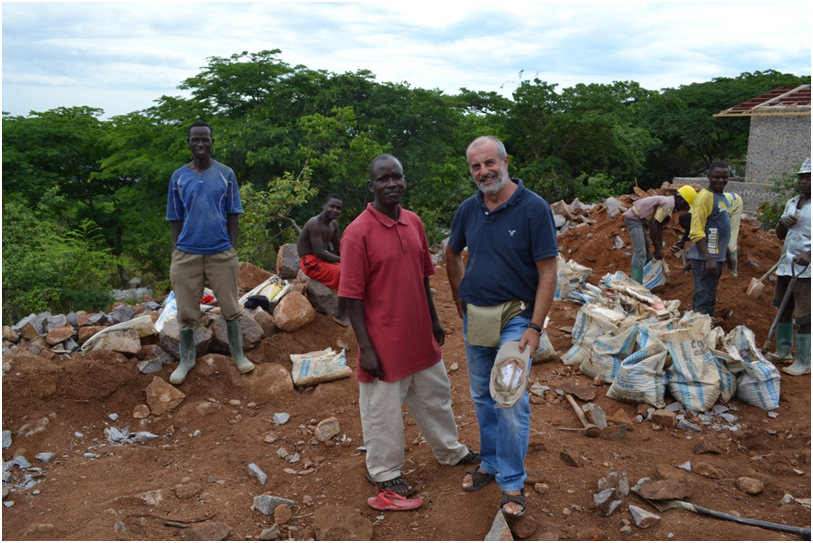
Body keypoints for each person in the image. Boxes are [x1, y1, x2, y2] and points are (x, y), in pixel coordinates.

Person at [339, 154, 479, 497]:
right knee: (383, 411)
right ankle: (383, 471)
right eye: (383, 179)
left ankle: (450, 452)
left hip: (418, 335)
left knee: (436, 397)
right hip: (383, 342)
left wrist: (433, 321)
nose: (391, 184)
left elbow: (422, 278)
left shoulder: (414, 222)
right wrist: (366, 348)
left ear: (405, 181)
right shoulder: (357, 233)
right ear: (371, 186)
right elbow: (352, 298)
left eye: (397, 177)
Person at [446, 136, 558, 518]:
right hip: (476, 316)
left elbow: (548, 271)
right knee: (481, 396)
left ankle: (511, 480)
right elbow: (451, 252)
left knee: (508, 396)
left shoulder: (533, 208)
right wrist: (461, 301)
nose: (483, 172)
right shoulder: (468, 210)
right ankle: (491, 462)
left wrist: (536, 327)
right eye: (476, 166)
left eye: (489, 163)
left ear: (506, 161)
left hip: (517, 317)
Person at [166, 120, 255, 384]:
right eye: (196, 139)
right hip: (187, 253)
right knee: (186, 310)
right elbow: (174, 218)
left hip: (220, 252)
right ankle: (186, 359)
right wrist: (176, 252)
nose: (201, 144)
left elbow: (233, 214)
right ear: (189, 143)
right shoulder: (179, 177)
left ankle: (238, 355)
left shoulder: (225, 173)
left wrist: (232, 248)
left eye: (205, 139)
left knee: (230, 307)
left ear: (212, 141)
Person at [768, 158, 811, 375]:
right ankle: (783, 351)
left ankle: (804, 361)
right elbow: (780, 235)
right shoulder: (792, 202)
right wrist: (782, 222)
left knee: (805, 316)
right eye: (801, 177)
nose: (804, 181)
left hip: (807, 272)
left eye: (809, 178)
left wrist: (810, 254)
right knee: (783, 308)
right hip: (786, 267)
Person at [687, 161, 735, 318]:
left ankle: (696, 330)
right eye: (716, 177)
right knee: (705, 300)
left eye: (724, 177)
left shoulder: (722, 198)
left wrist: (727, 254)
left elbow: (722, 229)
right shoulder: (705, 197)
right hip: (705, 259)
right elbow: (696, 230)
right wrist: (708, 258)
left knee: (706, 298)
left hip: (716, 258)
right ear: (708, 177)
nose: (720, 180)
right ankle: (701, 335)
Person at [623, 187, 695, 283]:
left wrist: (660, 248)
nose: (684, 209)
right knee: (641, 252)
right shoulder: (668, 204)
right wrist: (657, 250)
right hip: (634, 219)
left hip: (640, 219)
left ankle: (647, 278)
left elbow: (659, 227)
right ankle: (635, 284)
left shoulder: (669, 204)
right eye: (685, 205)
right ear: (680, 200)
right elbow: (654, 226)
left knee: (647, 250)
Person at [297, 193, 349, 326]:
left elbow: (339, 248)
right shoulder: (314, 223)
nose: (335, 210)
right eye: (332, 206)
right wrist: (344, 261)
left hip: (322, 259)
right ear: (324, 206)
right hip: (310, 262)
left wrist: (348, 259)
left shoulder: (333, 225)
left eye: (338, 208)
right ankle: (340, 314)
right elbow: (319, 253)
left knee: (357, 269)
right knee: (344, 273)